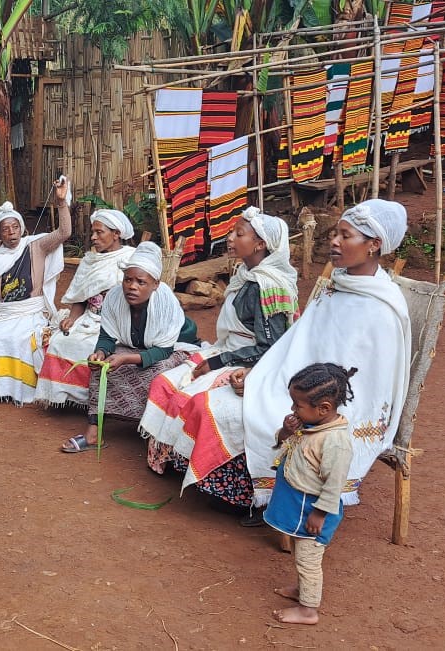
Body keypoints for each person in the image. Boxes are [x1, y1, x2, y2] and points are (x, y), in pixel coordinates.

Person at [148, 199, 411, 514]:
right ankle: (235, 490)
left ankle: (257, 500)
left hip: (330, 405)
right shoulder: (337, 287)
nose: (335, 241)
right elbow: (294, 346)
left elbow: (359, 383)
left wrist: (293, 398)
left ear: (374, 245)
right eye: (336, 233)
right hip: (299, 385)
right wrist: (259, 376)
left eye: (345, 235)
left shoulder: (379, 308)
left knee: (220, 410)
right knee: (207, 401)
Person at [140, 207, 298, 501]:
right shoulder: (245, 275)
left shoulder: (268, 287)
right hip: (229, 350)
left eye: (239, 233)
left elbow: (270, 347)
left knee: (196, 400)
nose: (230, 237)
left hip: (251, 361)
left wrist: (216, 362)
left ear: (261, 244)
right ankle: (173, 461)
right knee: (165, 383)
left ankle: (214, 479)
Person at [61, 242, 199, 452]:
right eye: (128, 280)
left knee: (158, 372)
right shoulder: (115, 298)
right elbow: (107, 336)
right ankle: (93, 433)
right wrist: (100, 353)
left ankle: (151, 431)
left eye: (141, 282)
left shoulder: (166, 303)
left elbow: (163, 351)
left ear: (156, 284)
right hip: (136, 347)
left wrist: (125, 359)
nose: (132, 286)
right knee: (101, 370)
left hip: (174, 346)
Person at [264, 363, 357, 626]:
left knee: (308, 560)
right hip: (298, 504)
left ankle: (308, 610)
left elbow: (334, 484)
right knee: (300, 553)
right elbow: (282, 442)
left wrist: (319, 513)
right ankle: (303, 590)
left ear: (324, 408)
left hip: (312, 509)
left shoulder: (335, 442)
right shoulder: (312, 424)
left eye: (298, 405)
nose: (293, 410)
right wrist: (286, 431)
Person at [0, 177, 72, 406]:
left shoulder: (37, 246)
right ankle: (0, 390)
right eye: (6, 229)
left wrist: (61, 202)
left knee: (24, 338)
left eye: (15, 227)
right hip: (6, 313)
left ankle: (25, 392)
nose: (12, 233)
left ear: (22, 228)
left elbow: (64, 232)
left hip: (31, 311)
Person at [35, 208, 137, 407]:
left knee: (93, 348)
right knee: (60, 342)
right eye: (93, 232)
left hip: (118, 321)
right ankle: (66, 398)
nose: (93, 237)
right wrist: (72, 319)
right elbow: (81, 296)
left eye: (100, 232)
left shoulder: (131, 258)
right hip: (90, 318)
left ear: (116, 234)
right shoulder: (89, 261)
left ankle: (93, 401)